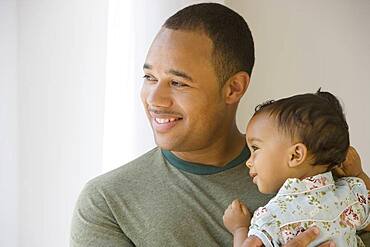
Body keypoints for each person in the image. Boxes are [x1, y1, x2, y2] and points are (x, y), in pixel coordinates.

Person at [70, 3, 370, 246]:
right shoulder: (107, 203)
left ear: (234, 88)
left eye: (177, 82)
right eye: (149, 77)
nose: (155, 99)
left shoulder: (314, 171)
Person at [223, 90, 370, 247]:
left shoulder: (272, 217)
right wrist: (359, 174)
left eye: (255, 148)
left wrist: (240, 229)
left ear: (295, 155)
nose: (249, 162)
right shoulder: (349, 194)